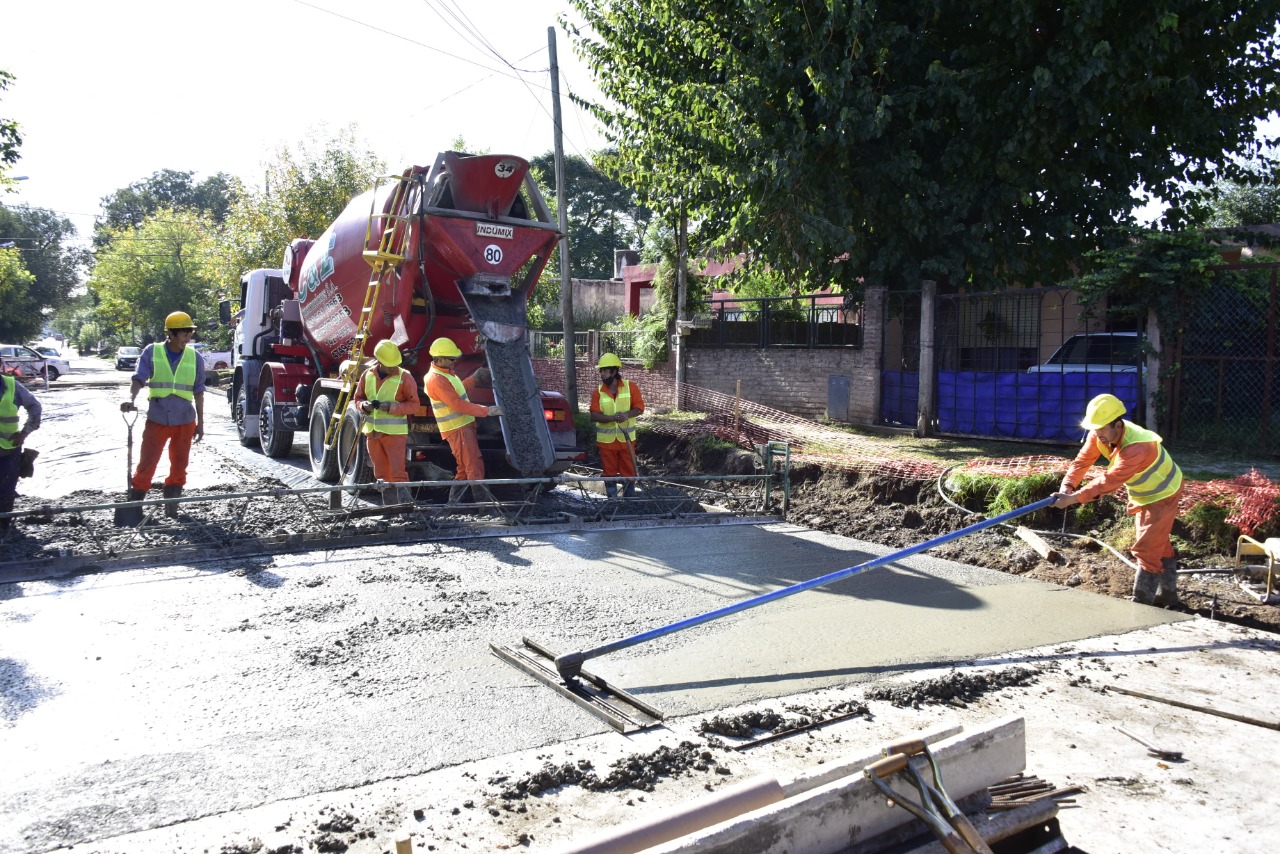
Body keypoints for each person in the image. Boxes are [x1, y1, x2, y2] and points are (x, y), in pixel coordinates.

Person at [1052, 393, 1184, 607]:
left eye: (1102, 428)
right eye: (1094, 428)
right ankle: (1169, 596)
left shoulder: (1136, 446)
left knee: (1147, 549)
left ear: (1117, 425)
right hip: (1145, 493)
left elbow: (1108, 481)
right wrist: (1067, 486)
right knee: (1158, 544)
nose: (1097, 434)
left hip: (1163, 494)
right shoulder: (1099, 435)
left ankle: (1141, 605)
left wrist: (1073, 499)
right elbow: (1082, 462)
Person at [120, 311, 206, 518]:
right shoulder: (152, 352)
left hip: (185, 420)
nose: (188, 338)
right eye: (185, 334)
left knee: (180, 465)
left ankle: (172, 508)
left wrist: (201, 424)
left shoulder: (196, 358)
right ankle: (135, 507)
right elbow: (138, 378)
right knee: (147, 463)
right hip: (158, 418)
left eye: (190, 333)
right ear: (172, 334)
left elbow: (199, 392)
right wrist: (131, 399)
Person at [423, 337, 501, 504]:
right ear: (440, 358)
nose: (454, 363)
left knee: (464, 468)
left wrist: (475, 379)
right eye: (451, 359)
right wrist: (487, 411)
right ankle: (484, 504)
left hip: (463, 426)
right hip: (457, 428)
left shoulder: (446, 374)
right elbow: (457, 404)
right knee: (474, 465)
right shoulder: (436, 379)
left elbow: (458, 392)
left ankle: (454, 503)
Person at [352, 339, 420, 503]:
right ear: (379, 361)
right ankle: (388, 508)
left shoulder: (405, 377)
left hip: (395, 435)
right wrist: (364, 405)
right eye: (389, 364)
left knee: (398, 473)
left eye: (394, 364)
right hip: (373, 434)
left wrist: (390, 407)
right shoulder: (367, 375)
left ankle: (405, 508)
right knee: (381, 473)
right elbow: (358, 398)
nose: (392, 367)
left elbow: (414, 405)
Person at [589, 353, 645, 498]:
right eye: (600, 371)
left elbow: (639, 408)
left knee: (629, 470)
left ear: (614, 372)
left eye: (604, 371)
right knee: (609, 472)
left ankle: (629, 501)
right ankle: (612, 502)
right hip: (606, 441)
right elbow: (594, 414)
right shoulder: (598, 392)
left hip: (626, 439)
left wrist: (626, 415)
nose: (601, 374)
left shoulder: (630, 387)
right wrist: (612, 418)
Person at [0, 369, 42, 531]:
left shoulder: (11, 386)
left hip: (7, 449)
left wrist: (25, 432)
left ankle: (3, 526)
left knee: (5, 491)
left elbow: (35, 407)